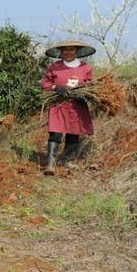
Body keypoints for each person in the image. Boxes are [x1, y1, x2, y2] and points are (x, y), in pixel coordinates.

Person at [40, 40, 95, 174]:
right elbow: (45, 84)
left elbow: (91, 86)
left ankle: (68, 160)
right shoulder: (55, 67)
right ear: (61, 52)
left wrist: (84, 95)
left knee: (73, 133)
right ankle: (51, 164)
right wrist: (55, 87)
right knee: (55, 133)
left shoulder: (85, 68)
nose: (68, 52)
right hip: (58, 104)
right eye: (65, 50)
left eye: (71, 49)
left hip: (77, 106)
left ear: (76, 51)